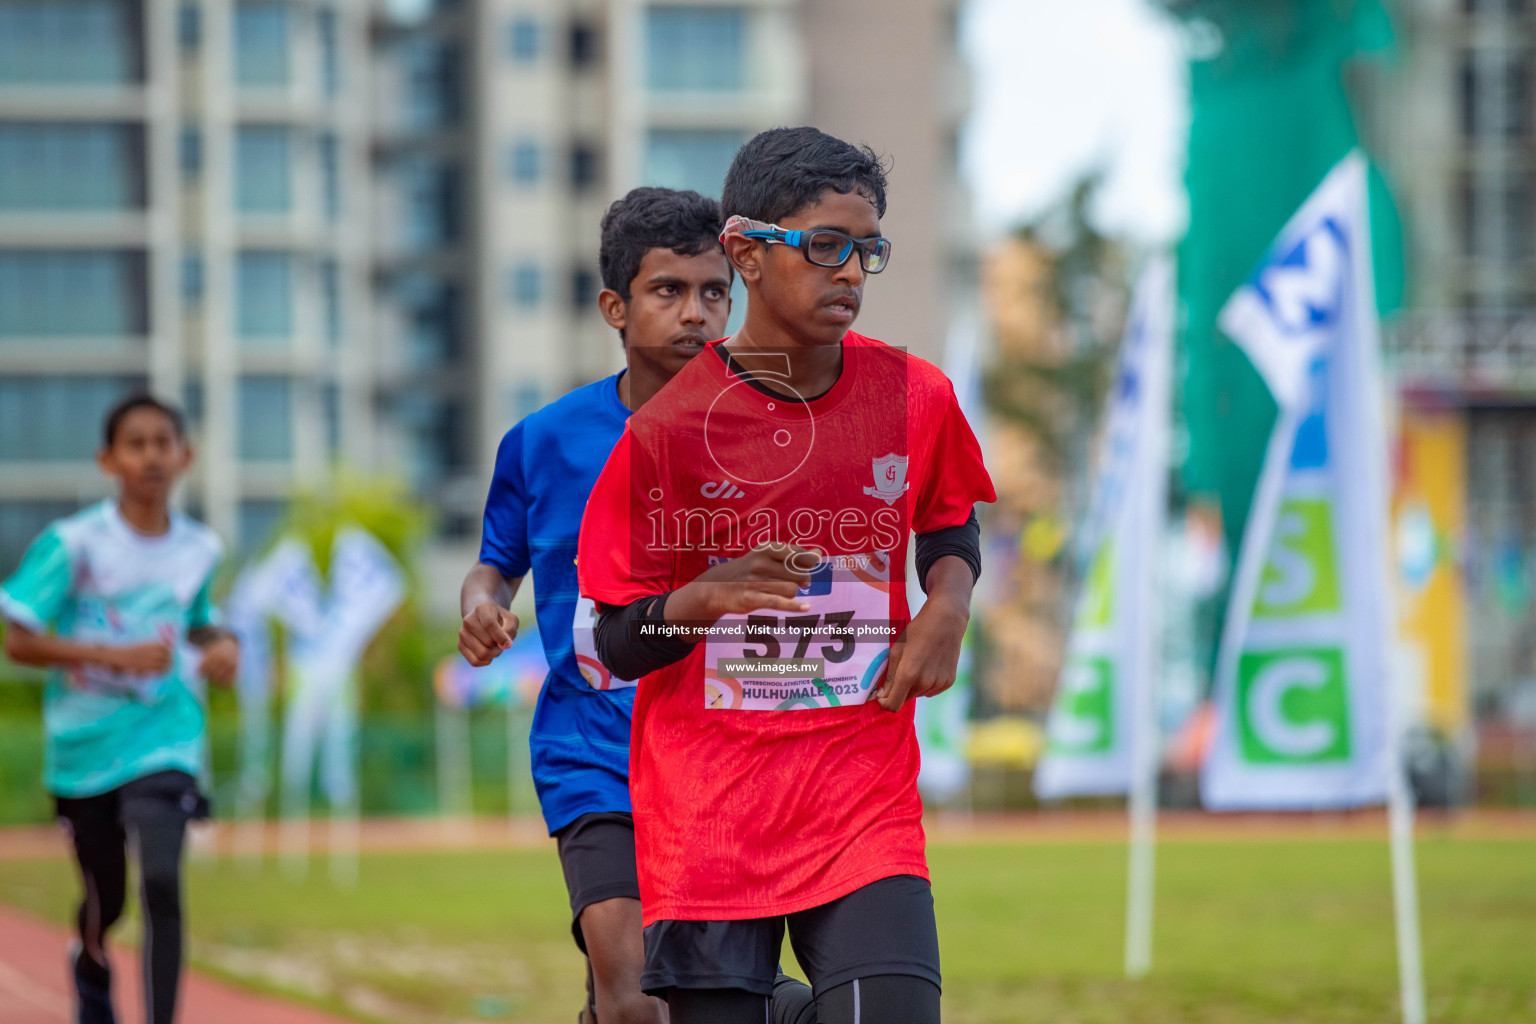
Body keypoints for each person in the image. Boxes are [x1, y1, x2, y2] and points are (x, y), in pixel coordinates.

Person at [577, 126, 996, 1024]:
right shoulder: (666, 432)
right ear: (745, 253)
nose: (850, 272)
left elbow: (948, 515)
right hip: (712, 815)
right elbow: (607, 640)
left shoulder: (916, 397)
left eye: (867, 250)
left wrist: (948, 604)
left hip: (861, 793)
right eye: (825, 246)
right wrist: (702, 599)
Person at [458, 186, 734, 1024]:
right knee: (634, 993)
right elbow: (493, 566)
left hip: (721, 752)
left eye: (714, 291)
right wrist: (480, 607)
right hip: (593, 751)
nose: (695, 313)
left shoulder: (764, 436)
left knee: (686, 998)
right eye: (669, 290)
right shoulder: (541, 442)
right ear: (616, 305)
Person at [0, 394, 239, 1024]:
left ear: (184, 456)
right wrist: (113, 655)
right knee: (108, 896)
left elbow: (199, 623)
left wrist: (223, 646)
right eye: (136, 444)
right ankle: (92, 953)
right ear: (109, 459)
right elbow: (18, 638)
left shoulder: (199, 549)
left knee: (161, 880)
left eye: (163, 442)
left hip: (167, 736)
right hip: (84, 749)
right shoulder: (74, 543)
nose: (151, 455)